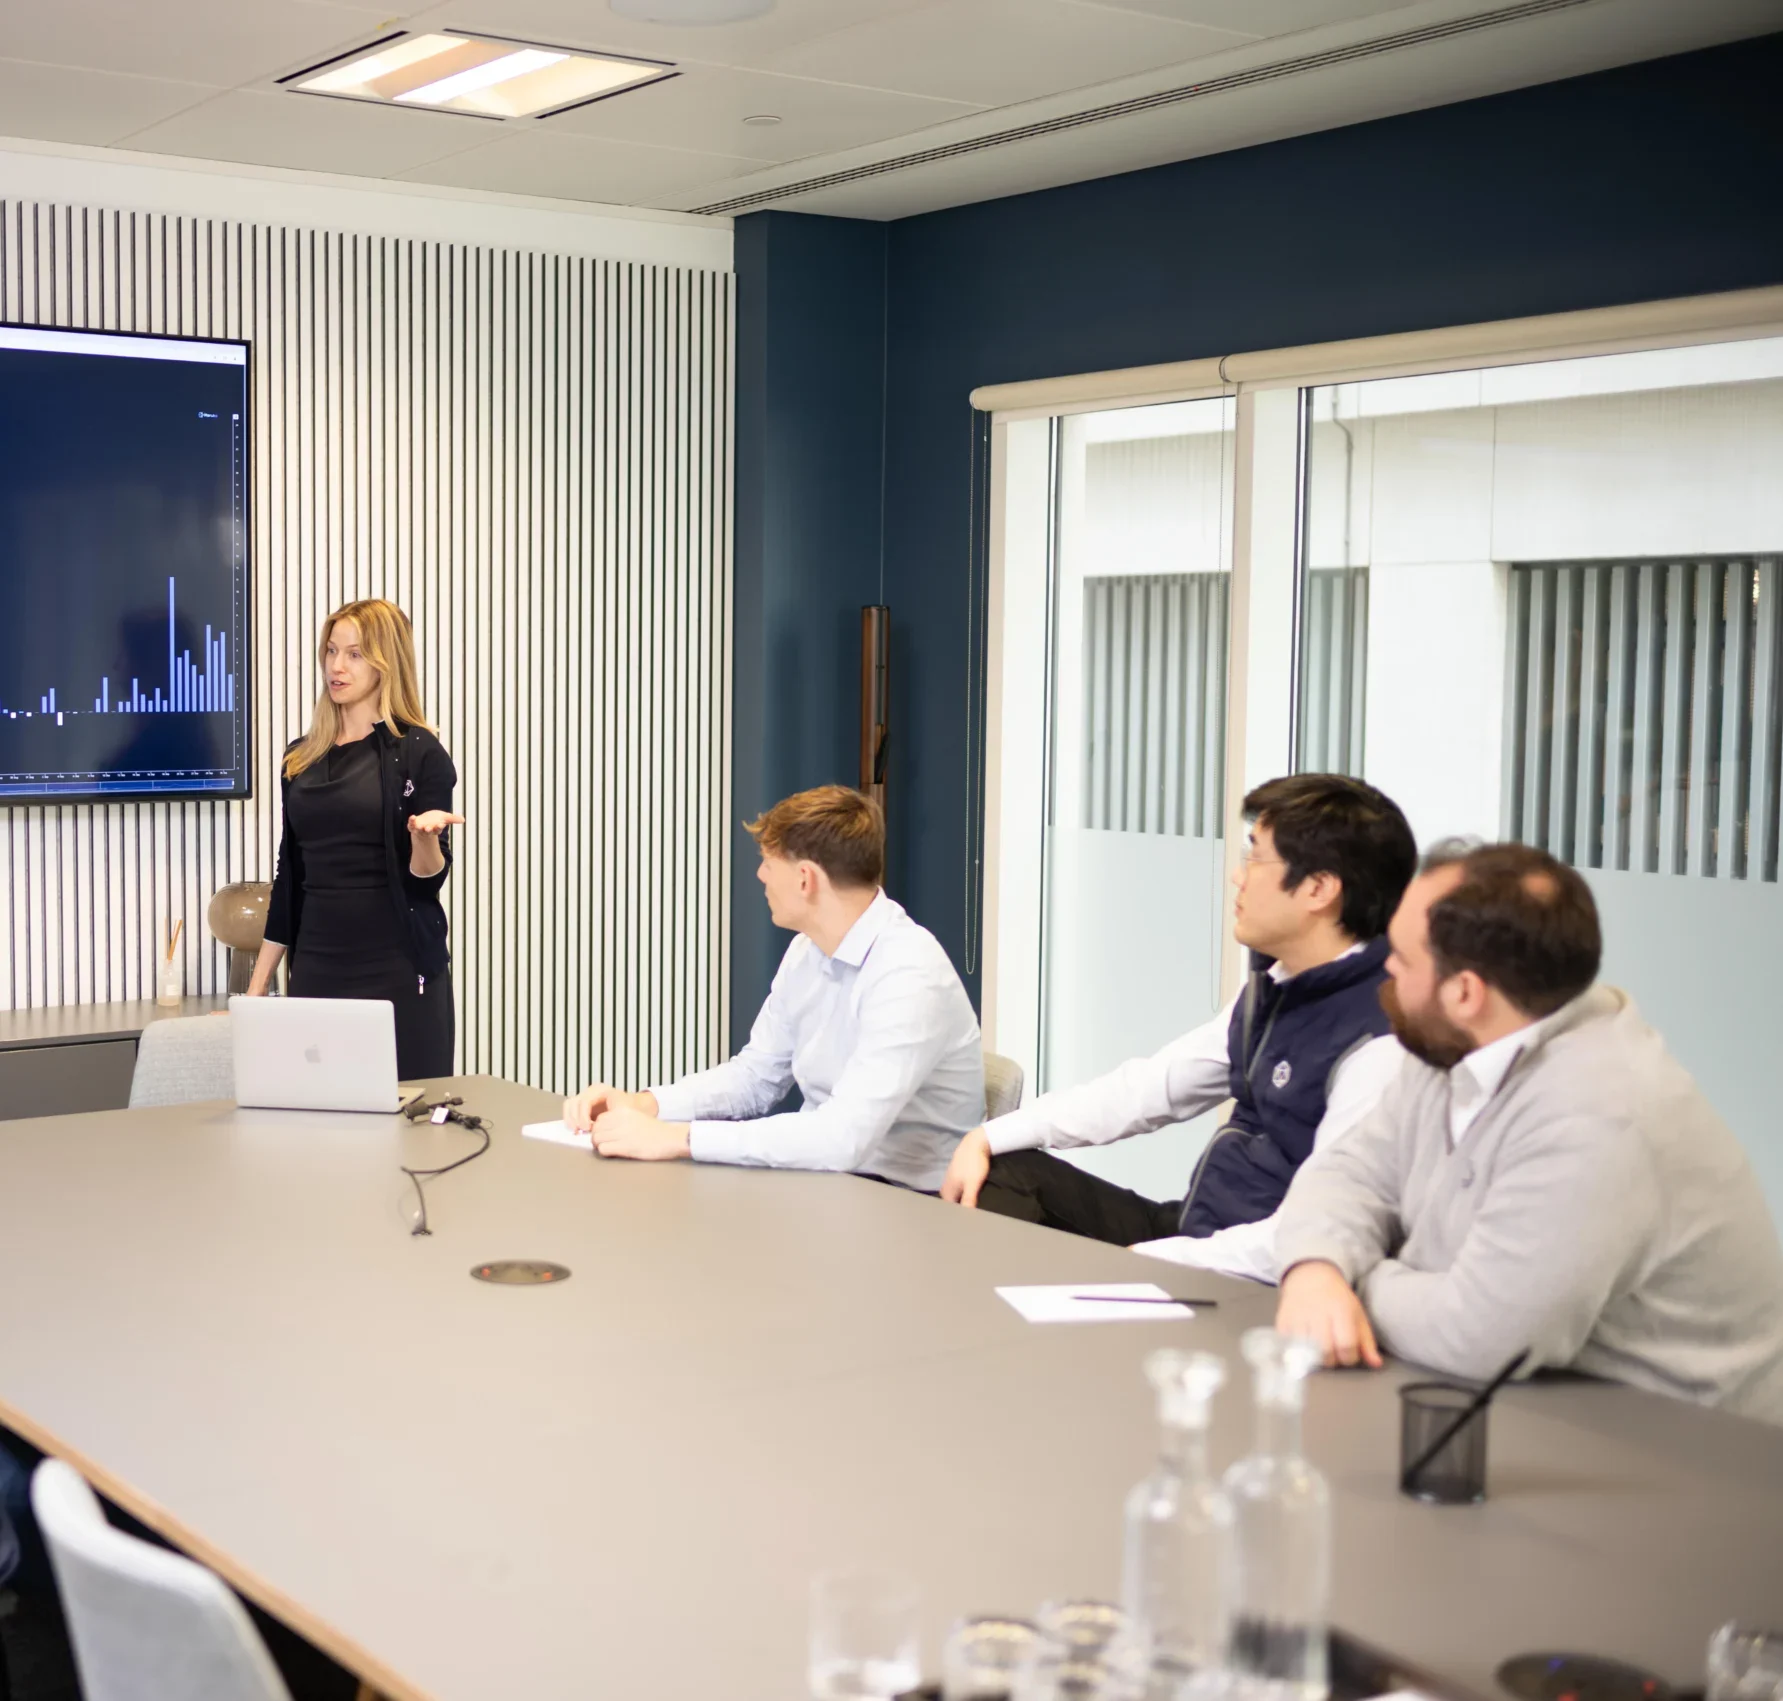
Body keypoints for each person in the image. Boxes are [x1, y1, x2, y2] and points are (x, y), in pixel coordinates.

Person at [1274, 841, 1783, 1424]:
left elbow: (1479, 1335)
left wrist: (1354, 1279)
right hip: (1523, 1405)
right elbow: (1346, 1173)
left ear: (1465, 993)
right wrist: (1316, 1269)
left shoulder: (1601, 1114)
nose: (1386, 966)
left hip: (1682, 1450)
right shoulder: (1450, 1045)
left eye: (1405, 959)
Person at [942, 774, 1418, 1281]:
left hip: (1258, 1273)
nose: (1238, 877)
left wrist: (1150, 1263)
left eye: (1256, 858)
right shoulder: (1275, 983)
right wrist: (990, 1135)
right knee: (1007, 1172)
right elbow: (1152, 1090)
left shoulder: (1379, 1042)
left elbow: (1319, 1232)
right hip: (1194, 1230)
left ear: (1319, 888)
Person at [562, 785, 983, 1190]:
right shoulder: (808, 950)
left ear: (805, 879)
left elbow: (842, 1139)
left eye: (768, 861)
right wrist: (645, 1105)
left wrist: (677, 1139)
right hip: (829, 1182)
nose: (760, 874)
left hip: (908, 1199)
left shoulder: (909, 973)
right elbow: (757, 1078)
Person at [247, 599, 464, 1080]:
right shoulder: (299, 759)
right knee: (319, 1131)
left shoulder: (419, 751)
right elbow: (289, 880)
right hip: (318, 970)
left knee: (409, 1131)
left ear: (386, 662)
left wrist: (425, 837)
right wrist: (257, 990)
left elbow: (429, 880)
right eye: (330, 652)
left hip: (397, 972)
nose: (336, 666)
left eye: (355, 654)